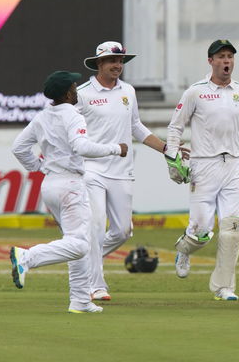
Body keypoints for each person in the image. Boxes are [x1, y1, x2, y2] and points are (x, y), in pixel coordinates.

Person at [10, 71, 127, 313]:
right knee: (81, 245)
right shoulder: (73, 115)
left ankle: (81, 300)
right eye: (74, 87)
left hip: (50, 184)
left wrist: (39, 167)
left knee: (74, 239)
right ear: (67, 93)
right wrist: (116, 148)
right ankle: (26, 258)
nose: (77, 90)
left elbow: (18, 148)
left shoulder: (42, 117)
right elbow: (81, 146)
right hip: (71, 185)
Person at [166, 40, 239, 301]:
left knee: (232, 228)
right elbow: (175, 127)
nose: (227, 61)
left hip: (233, 164)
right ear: (210, 60)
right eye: (221, 57)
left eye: (230, 57)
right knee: (201, 229)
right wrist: (173, 157)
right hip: (203, 165)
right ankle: (185, 249)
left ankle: (224, 287)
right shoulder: (195, 92)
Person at [77, 41, 171, 302]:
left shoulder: (128, 90)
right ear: (99, 64)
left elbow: (136, 127)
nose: (117, 65)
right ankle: (96, 285)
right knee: (96, 226)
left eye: (120, 61)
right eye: (112, 61)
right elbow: (66, 127)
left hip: (121, 170)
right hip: (91, 168)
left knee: (122, 232)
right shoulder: (83, 93)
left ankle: (84, 260)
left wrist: (166, 148)